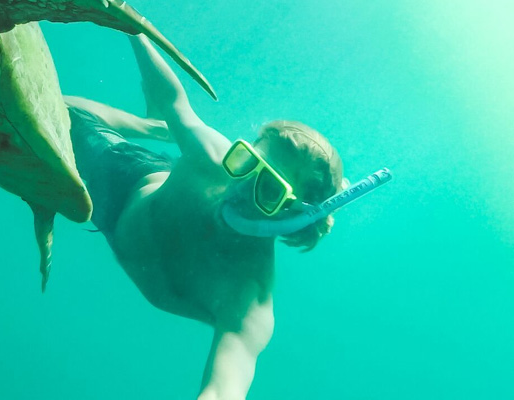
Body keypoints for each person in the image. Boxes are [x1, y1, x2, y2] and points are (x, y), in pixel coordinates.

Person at [65, 33, 346, 400]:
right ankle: (153, 127)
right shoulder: (210, 156)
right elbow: (174, 102)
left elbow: (223, 389)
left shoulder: (248, 296)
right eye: (246, 162)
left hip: (117, 223)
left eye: (270, 189)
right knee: (63, 110)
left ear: (294, 216)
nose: (241, 188)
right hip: (128, 181)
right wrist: (132, 28)